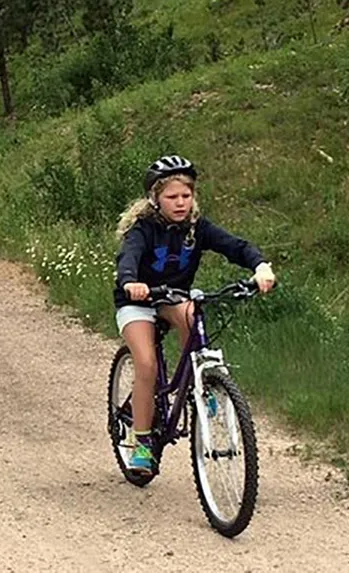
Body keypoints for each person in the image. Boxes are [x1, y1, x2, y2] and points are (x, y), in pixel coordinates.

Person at [114, 155, 276, 475]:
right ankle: (143, 444)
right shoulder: (142, 230)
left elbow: (235, 246)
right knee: (146, 363)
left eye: (186, 196)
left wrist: (260, 266)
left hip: (173, 297)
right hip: (138, 300)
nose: (180, 203)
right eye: (172, 197)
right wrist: (131, 282)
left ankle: (201, 383)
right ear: (155, 198)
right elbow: (128, 259)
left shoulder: (196, 228)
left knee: (193, 317)